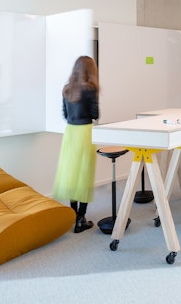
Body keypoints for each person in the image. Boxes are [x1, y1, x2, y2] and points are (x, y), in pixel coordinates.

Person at [53, 56, 100, 233]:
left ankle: (73, 214)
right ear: (90, 70)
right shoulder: (91, 89)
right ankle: (81, 217)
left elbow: (65, 114)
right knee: (84, 174)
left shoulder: (67, 88)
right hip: (85, 131)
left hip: (70, 133)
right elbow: (96, 114)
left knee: (72, 172)